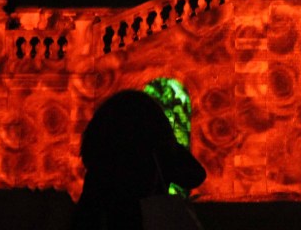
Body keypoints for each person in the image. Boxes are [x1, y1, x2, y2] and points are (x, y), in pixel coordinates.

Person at [73, 90, 206, 230]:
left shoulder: (103, 159)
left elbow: (85, 215)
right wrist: (166, 141)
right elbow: (194, 175)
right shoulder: (156, 153)